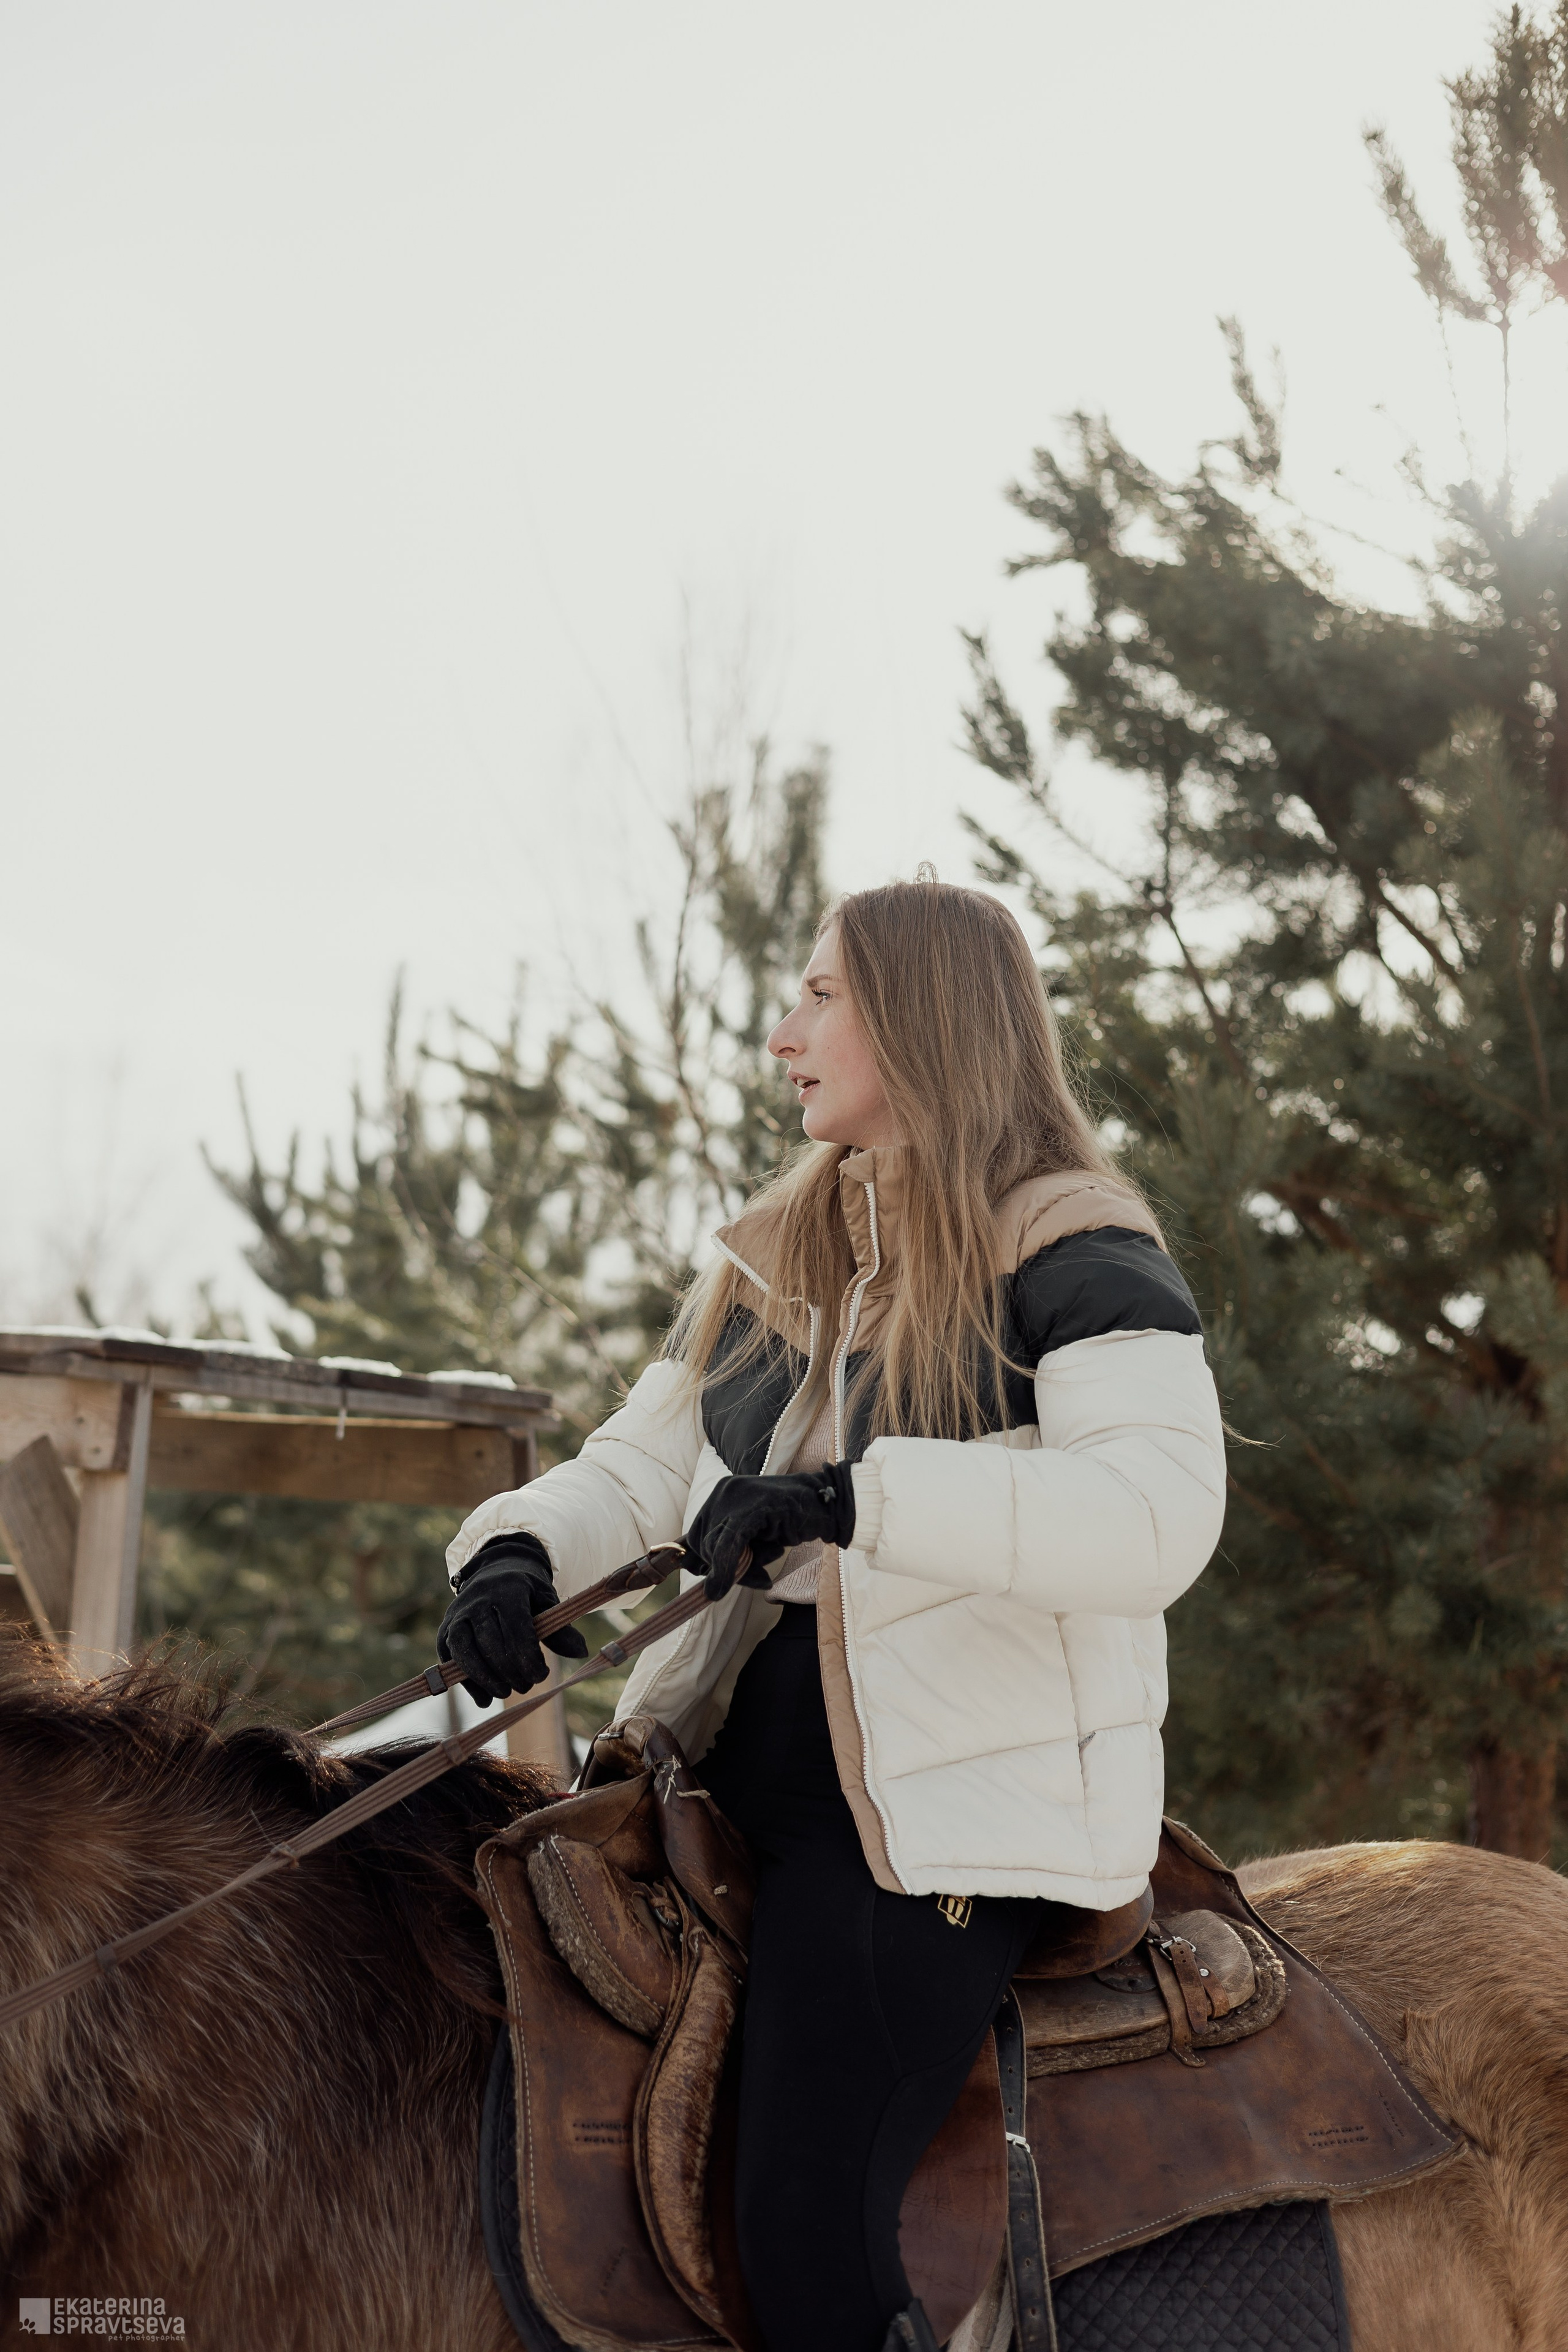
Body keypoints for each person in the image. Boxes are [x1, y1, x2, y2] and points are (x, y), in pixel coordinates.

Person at [439, 878, 1226, 2352]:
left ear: (919, 1020)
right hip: (719, 1779)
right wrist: (513, 1557)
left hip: (942, 1826)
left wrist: (854, 1500)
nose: (780, 1035)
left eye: (819, 998)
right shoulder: (782, 1248)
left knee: (799, 2240)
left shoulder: (1069, 1240)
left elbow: (1152, 1512)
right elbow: (640, 1468)